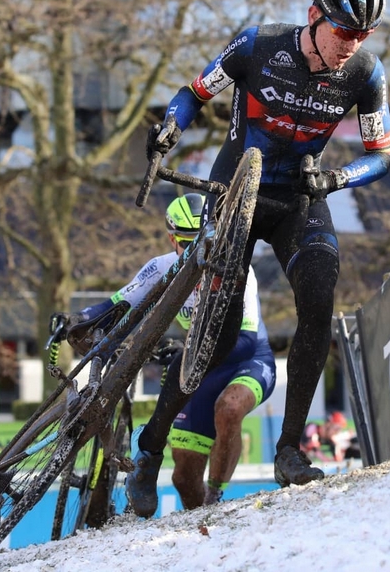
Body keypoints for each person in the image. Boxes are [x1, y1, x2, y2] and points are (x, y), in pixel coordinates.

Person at [126, 0, 390, 518]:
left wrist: (338, 178)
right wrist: (171, 126)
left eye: (362, 35)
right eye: (344, 31)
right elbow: (193, 92)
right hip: (235, 189)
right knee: (216, 339)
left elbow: (381, 155)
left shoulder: (366, 73)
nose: (351, 45)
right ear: (314, 15)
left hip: (300, 195)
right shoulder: (257, 45)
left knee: (319, 297)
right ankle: (149, 449)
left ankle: (290, 450)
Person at [57, 193, 276, 509]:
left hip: (246, 361)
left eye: (208, 239)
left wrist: (192, 355)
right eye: (187, 243)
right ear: (172, 239)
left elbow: (247, 342)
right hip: (200, 368)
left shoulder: (237, 269)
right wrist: (78, 318)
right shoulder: (161, 267)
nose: (200, 250)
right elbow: (117, 305)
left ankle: (216, 498)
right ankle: (202, 521)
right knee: (183, 479)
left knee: (228, 408)